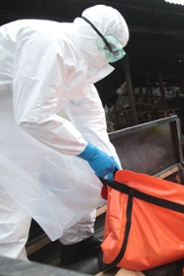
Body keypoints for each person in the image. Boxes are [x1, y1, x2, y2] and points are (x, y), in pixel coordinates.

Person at [0, 5, 129, 263]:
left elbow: (91, 122)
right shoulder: (50, 43)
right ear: (95, 35)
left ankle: (77, 244)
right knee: (13, 201)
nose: (110, 57)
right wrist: (88, 152)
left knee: (81, 176)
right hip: (10, 121)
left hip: (24, 116)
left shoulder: (80, 66)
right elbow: (33, 115)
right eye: (111, 48)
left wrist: (112, 166)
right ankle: (10, 264)